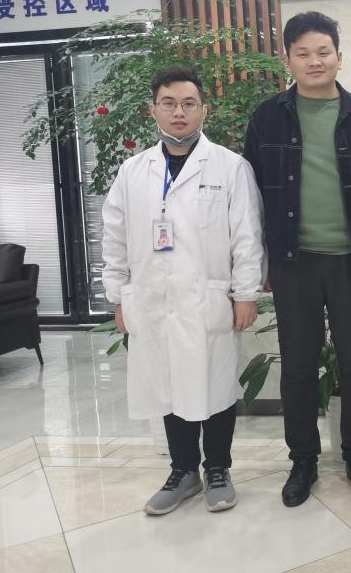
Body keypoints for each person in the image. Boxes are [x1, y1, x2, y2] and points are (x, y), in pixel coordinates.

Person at [102, 65, 265, 515]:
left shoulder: (230, 167)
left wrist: (246, 293)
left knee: (216, 384)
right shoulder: (134, 171)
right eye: (169, 103)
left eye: (189, 103)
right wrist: (118, 296)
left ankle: (218, 470)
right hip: (152, 298)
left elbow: (247, 236)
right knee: (167, 384)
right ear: (153, 109)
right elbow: (114, 237)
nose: (179, 112)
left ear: (204, 110)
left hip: (207, 298)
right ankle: (183, 471)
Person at [243, 11, 351, 507]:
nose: (314, 61)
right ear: (288, 59)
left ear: (340, 57)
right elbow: (251, 196)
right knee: (299, 366)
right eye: (303, 53)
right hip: (293, 261)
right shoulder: (267, 117)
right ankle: (303, 460)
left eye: (323, 52)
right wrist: (257, 263)